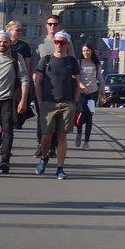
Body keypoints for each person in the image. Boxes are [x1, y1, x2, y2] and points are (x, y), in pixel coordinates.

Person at [34, 30, 80, 179]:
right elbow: (38, 83)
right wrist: (40, 102)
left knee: (62, 136)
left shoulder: (72, 62)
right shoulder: (46, 60)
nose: (59, 45)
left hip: (66, 103)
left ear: (67, 44)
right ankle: (44, 157)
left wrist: (75, 102)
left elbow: (78, 84)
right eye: (56, 42)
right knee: (46, 135)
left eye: (62, 42)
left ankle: (60, 168)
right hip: (48, 102)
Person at [0, 30, 31, 173]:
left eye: (5, 41)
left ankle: (5, 161)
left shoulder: (16, 57)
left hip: (8, 100)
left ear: (10, 42)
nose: (2, 44)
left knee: (8, 130)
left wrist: (23, 100)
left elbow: (24, 78)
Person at [35, 15, 65, 161]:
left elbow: (70, 62)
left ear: (59, 26)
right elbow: (34, 63)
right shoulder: (40, 42)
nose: (52, 27)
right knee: (42, 116)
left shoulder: (65, 41)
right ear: (46, 26)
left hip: (58, 85)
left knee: (55, 117)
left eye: (55, 24)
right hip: (42, 83)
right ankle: (40, 145)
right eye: (50, 24)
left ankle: (52, 147)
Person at [5, 21, 35, 129]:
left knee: (15, 114)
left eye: (21, 30)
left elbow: (28, 66)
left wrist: (28, 83)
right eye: (17, 30)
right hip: (3, 82)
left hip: (18, 83)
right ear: (9, 30)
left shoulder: (24, 46)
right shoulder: (2, 44)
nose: (20, 32)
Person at [75, 43, 104, 150]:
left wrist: (103, 93)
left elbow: (100, 79)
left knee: (89, 117)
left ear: (91, 51)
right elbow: (76, 79)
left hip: (93, 93)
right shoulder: (78, 63)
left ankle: (86, 142)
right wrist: (83, 88)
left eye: (87, 50)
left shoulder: (96, 64)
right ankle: (79, 133)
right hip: (81, 92)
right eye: (83, 51)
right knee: (81, 115)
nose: (85, 53)